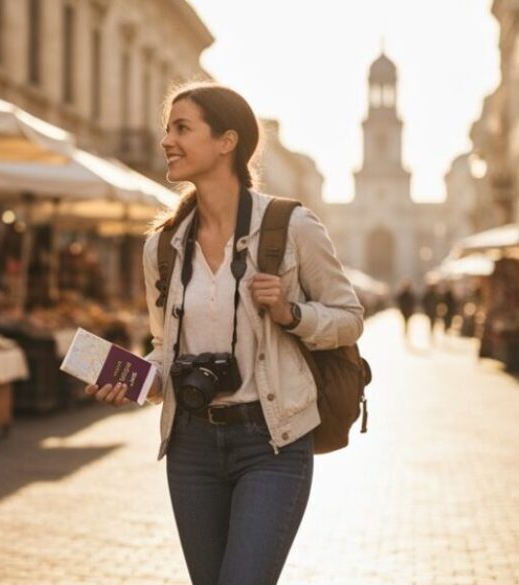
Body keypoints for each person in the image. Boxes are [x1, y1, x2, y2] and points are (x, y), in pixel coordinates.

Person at [84, 82, 364, 585]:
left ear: (226, 141)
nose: (167, 140)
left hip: (272, 442)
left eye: (182, 128)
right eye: (167, 129)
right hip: (190, 446)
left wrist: (290, 312)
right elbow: (166, 351)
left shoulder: (290, 226)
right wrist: (135, 381)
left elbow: (349, 318)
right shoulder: (163, 247)